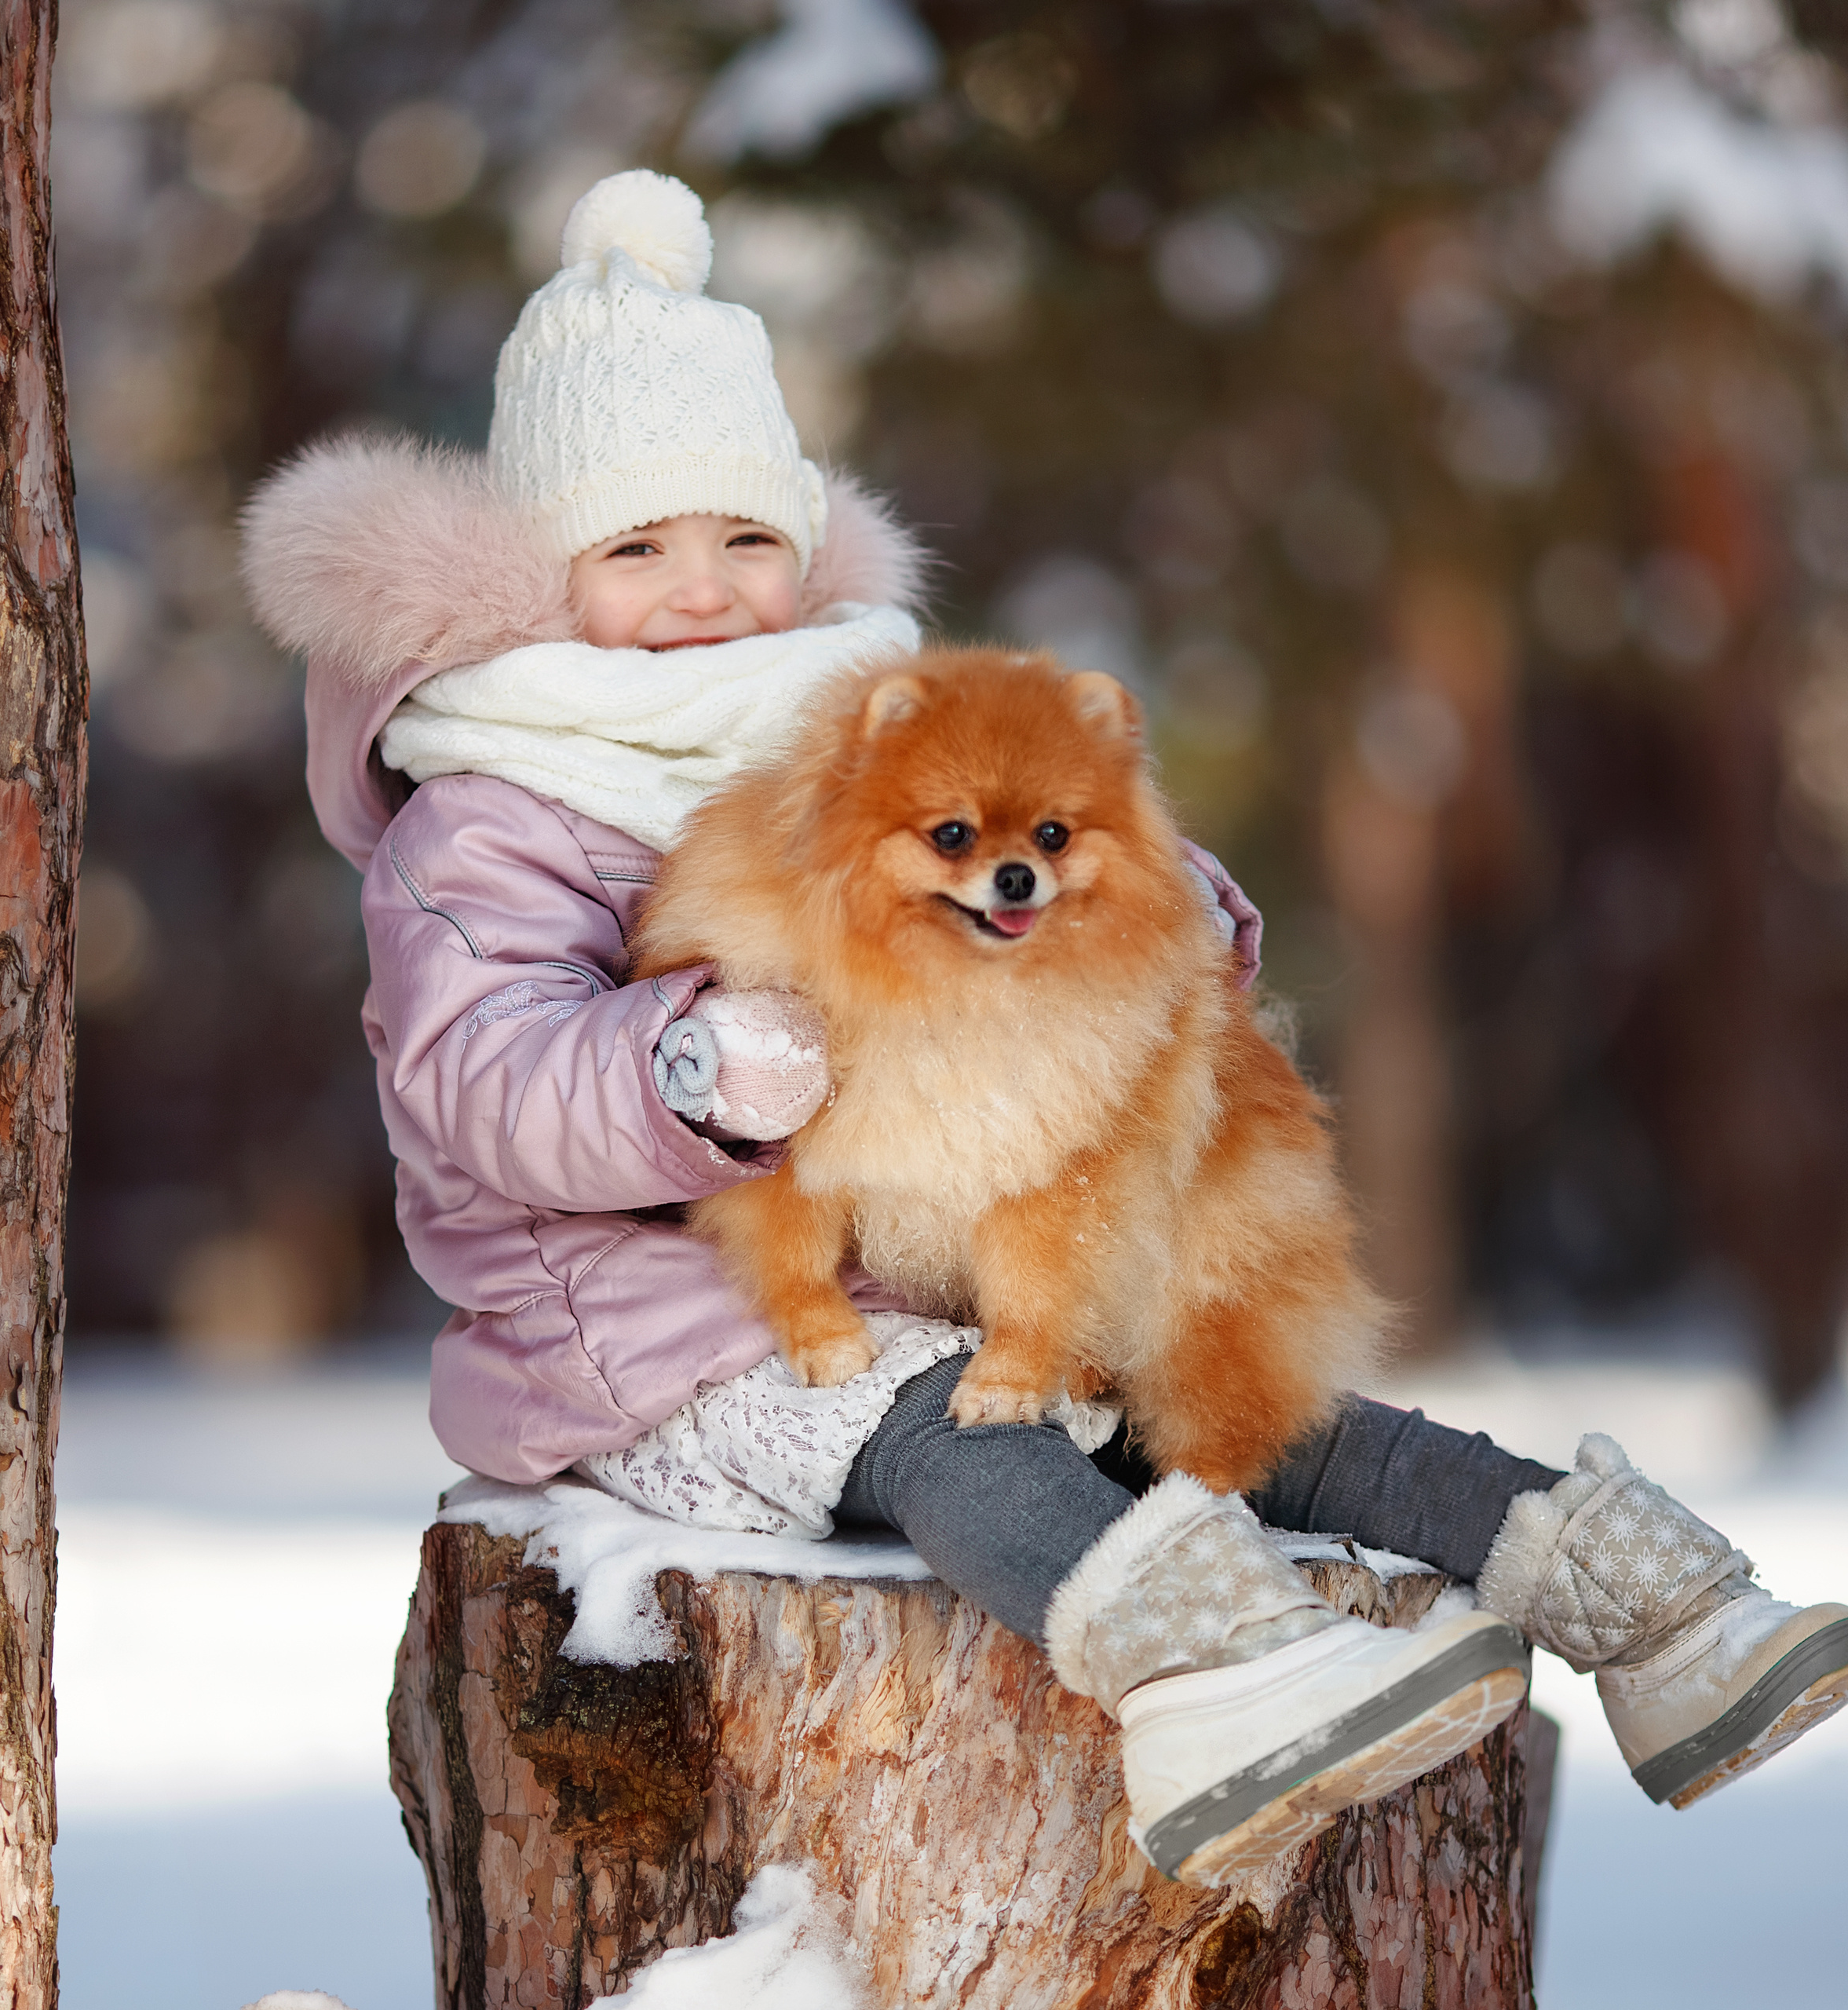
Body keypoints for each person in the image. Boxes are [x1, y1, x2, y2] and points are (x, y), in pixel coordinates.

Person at [242, 170, 1848, 1883]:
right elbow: (477, 1079)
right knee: (960, 1426)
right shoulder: (491, 813)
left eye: (743, 539)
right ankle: (1205, 1673)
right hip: (668, 1330)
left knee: (1241, 1393)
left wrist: (1161, 930)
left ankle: (1632, 1601)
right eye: (638, 547)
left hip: (951, 1253)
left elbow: (1079, 842)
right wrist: (688, 1065)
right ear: (544, 572)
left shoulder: (866, 714)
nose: (702, 592)